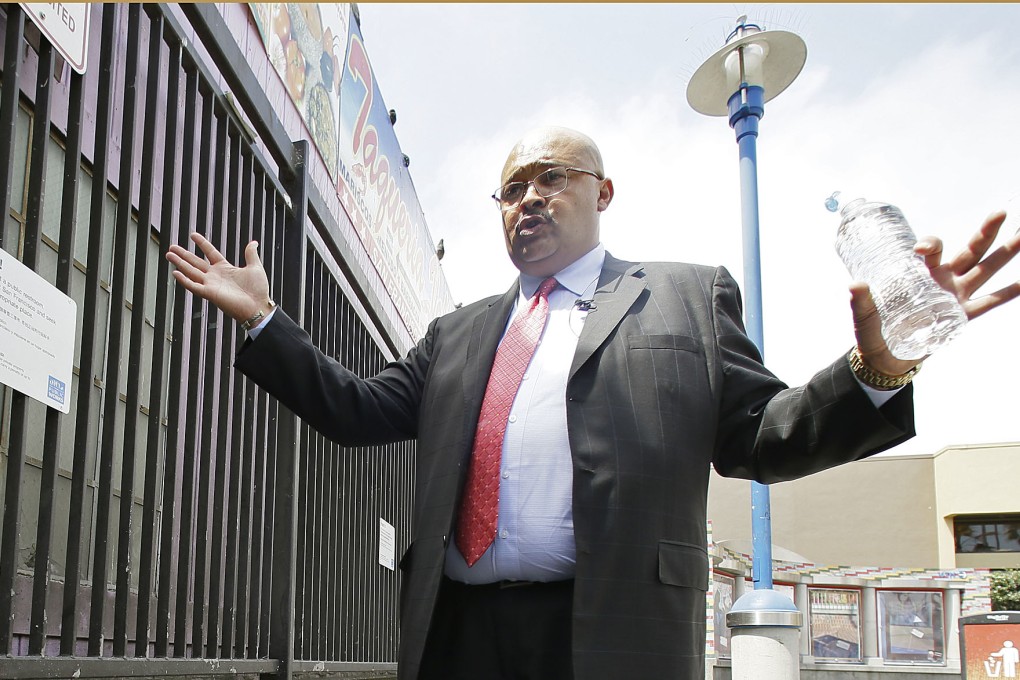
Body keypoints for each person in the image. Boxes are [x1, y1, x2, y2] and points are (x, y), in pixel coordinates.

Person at [166, 126, 1020, 680]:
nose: (529, 198)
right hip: (458, 634)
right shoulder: (457, 333)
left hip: (610, 633)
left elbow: (763, 437)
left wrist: (881, 368)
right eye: (510, 190)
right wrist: (267, 320)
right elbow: (354, 410)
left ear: (601, 193)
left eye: (552, 178)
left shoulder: (686, 298)